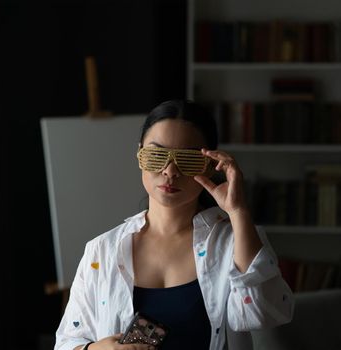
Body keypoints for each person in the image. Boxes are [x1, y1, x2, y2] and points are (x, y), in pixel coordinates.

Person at [54, 100, 294, 350]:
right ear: (139, 155)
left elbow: (264, 315)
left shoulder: (235, 240)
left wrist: (237, 210)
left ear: (211, 165)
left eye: (188, 159)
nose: (170, 171)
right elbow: (66, 343)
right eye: (156, 155)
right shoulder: (102, 251)